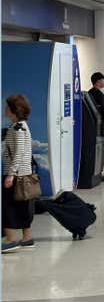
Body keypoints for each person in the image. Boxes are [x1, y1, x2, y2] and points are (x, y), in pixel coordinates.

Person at [2, 95, 35, 253]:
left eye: (7, 107)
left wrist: (11, 174)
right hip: (23, 174)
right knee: (22, 206)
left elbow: (19, 152)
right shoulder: (19, 126)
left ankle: (10, 239)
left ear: (14, 110)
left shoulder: (18, 128)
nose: (5, 109)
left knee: (9, 206)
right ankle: (27, 238)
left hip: (16, 175)